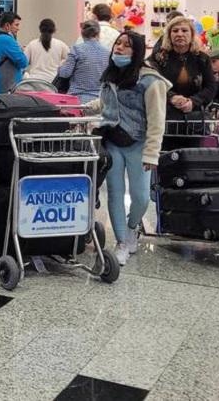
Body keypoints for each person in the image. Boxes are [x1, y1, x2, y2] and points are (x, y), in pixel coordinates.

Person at [85, 31, 169, 265]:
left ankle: (133, 227)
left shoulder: (151, 81)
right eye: (118, 44)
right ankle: (121, 241)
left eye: (127, 46)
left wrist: (153, 153)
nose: (119, 49)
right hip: (112, 141)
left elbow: (157, 120)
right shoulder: (110, 76)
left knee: (141, 197)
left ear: (138, 51)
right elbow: (104, 104)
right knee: (114, 193)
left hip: (139, 144)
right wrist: (82, 109)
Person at [150, 15, 218, 120]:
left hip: (195, 116)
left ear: (192, 35)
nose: (180, 34)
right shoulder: (158, 58)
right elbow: (152, 82)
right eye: (175, 31)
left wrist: (193, 101)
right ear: (169, 35)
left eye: (184, 30)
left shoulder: (202, 59)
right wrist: (171, 97)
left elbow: (211, 87)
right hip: (164, 114)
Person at [57, 21, 108, 102]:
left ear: (82, 34)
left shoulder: (76, 49)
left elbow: (65, 74)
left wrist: (60, 66)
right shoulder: (107, 52)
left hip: (77, 98)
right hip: (99, 99)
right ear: (98, 34)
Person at [23, 18, 70, 84]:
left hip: (34, 81)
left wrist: (26, 75)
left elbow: (23, 63)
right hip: (52, 82)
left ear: (40, 29)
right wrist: (60, 64)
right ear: (54, 30)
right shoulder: (61, 44)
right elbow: (70, 59)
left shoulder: (31, 44)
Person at [0, 12, 27, 93]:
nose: (18, 28)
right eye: (16, 25)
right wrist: (21, 50)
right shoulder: (7, 40)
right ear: (7, 25)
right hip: (7, 86)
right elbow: (23, 62)